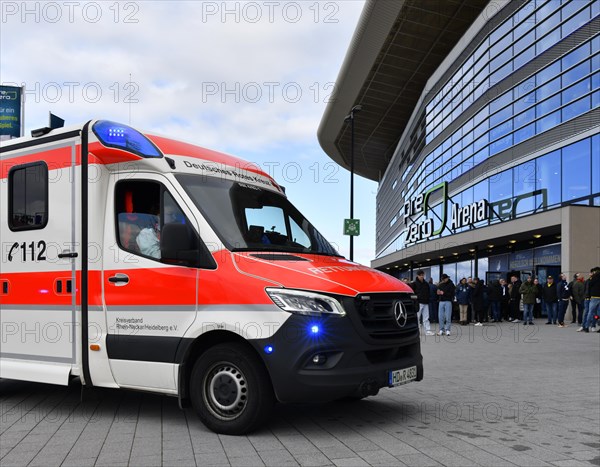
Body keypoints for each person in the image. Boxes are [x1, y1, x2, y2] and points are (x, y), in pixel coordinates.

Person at [410, 270, 435, 336]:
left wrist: (428, 299)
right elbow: (412, 294)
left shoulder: (426, 284)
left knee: (426, 318)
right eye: (420, 275)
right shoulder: (414, 284)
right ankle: (417, 331)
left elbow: (428, 293)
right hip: (418, 303)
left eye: (422, 275)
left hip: (426, 302)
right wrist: (416, 299)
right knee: (417, 317)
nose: (421, 276)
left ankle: (428, 331)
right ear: (417, 276)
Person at [581, 267, 600, 333]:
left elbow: (590, 285)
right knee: (598, 314)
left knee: (590, 312)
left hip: (594, 297)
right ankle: (596, 325)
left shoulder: (593, 278)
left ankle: (586, 327)